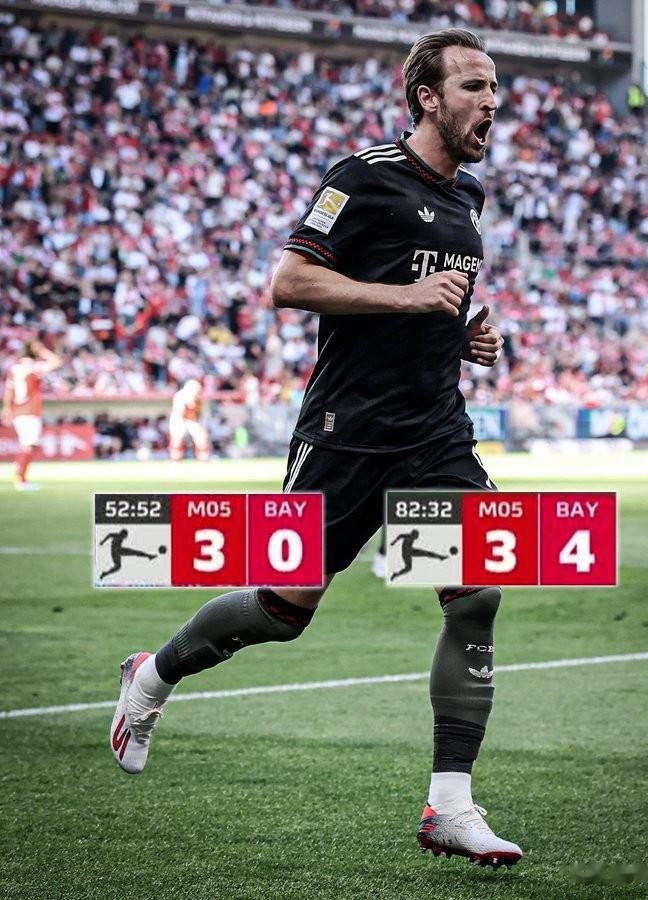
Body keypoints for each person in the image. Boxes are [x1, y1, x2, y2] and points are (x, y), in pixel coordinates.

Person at [110, 29, 522, 868]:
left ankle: (449, 806)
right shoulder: (360, 177)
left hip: (435, 434)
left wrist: (463, 337)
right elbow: (289, 281)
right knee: (282, 610)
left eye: (494, 88)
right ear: (427, 98)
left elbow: (429, 307)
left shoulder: (469, 197)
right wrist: (407, 298)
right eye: (475, 87)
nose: (493, 101)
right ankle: (151, 676)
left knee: (475, 594)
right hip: (344, 436)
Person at [2, 340, 61, 490]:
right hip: (30, 410)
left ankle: (18, 467)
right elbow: (56, 362)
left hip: (18, 411)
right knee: (28, 445)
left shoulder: (15, 368)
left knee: (27, 444)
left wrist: (7, 409)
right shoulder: (33, 367)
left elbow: (8, 391)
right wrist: (42, 351)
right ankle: (21, 480)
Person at [168, 378, 210, 461]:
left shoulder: (199, 398)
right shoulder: (180, 396)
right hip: (179, 419)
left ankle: (203, 458)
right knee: (177, 440)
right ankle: (176, 458)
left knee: (201, 438)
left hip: (194, 420)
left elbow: (200, 413)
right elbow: (179, 412)